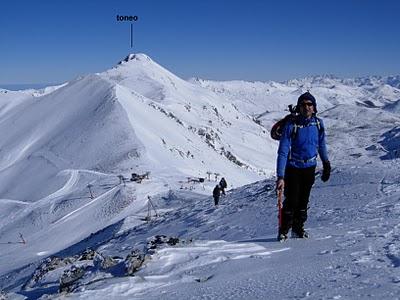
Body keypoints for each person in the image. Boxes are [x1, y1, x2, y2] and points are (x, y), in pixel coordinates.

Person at [276, 91, 331, 241]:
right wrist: (280, 176)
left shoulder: (318, 124)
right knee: (292, 200)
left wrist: (326, 163)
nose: (306, 107)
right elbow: (283, 151)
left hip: (309, 168)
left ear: (314, 107)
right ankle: (284, 230)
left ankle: (298, 229)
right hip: (293, 168)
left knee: (303, 201)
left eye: (309, 104)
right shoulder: (291, 125)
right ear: (299, 107)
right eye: (303, 104)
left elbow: (321, 145)